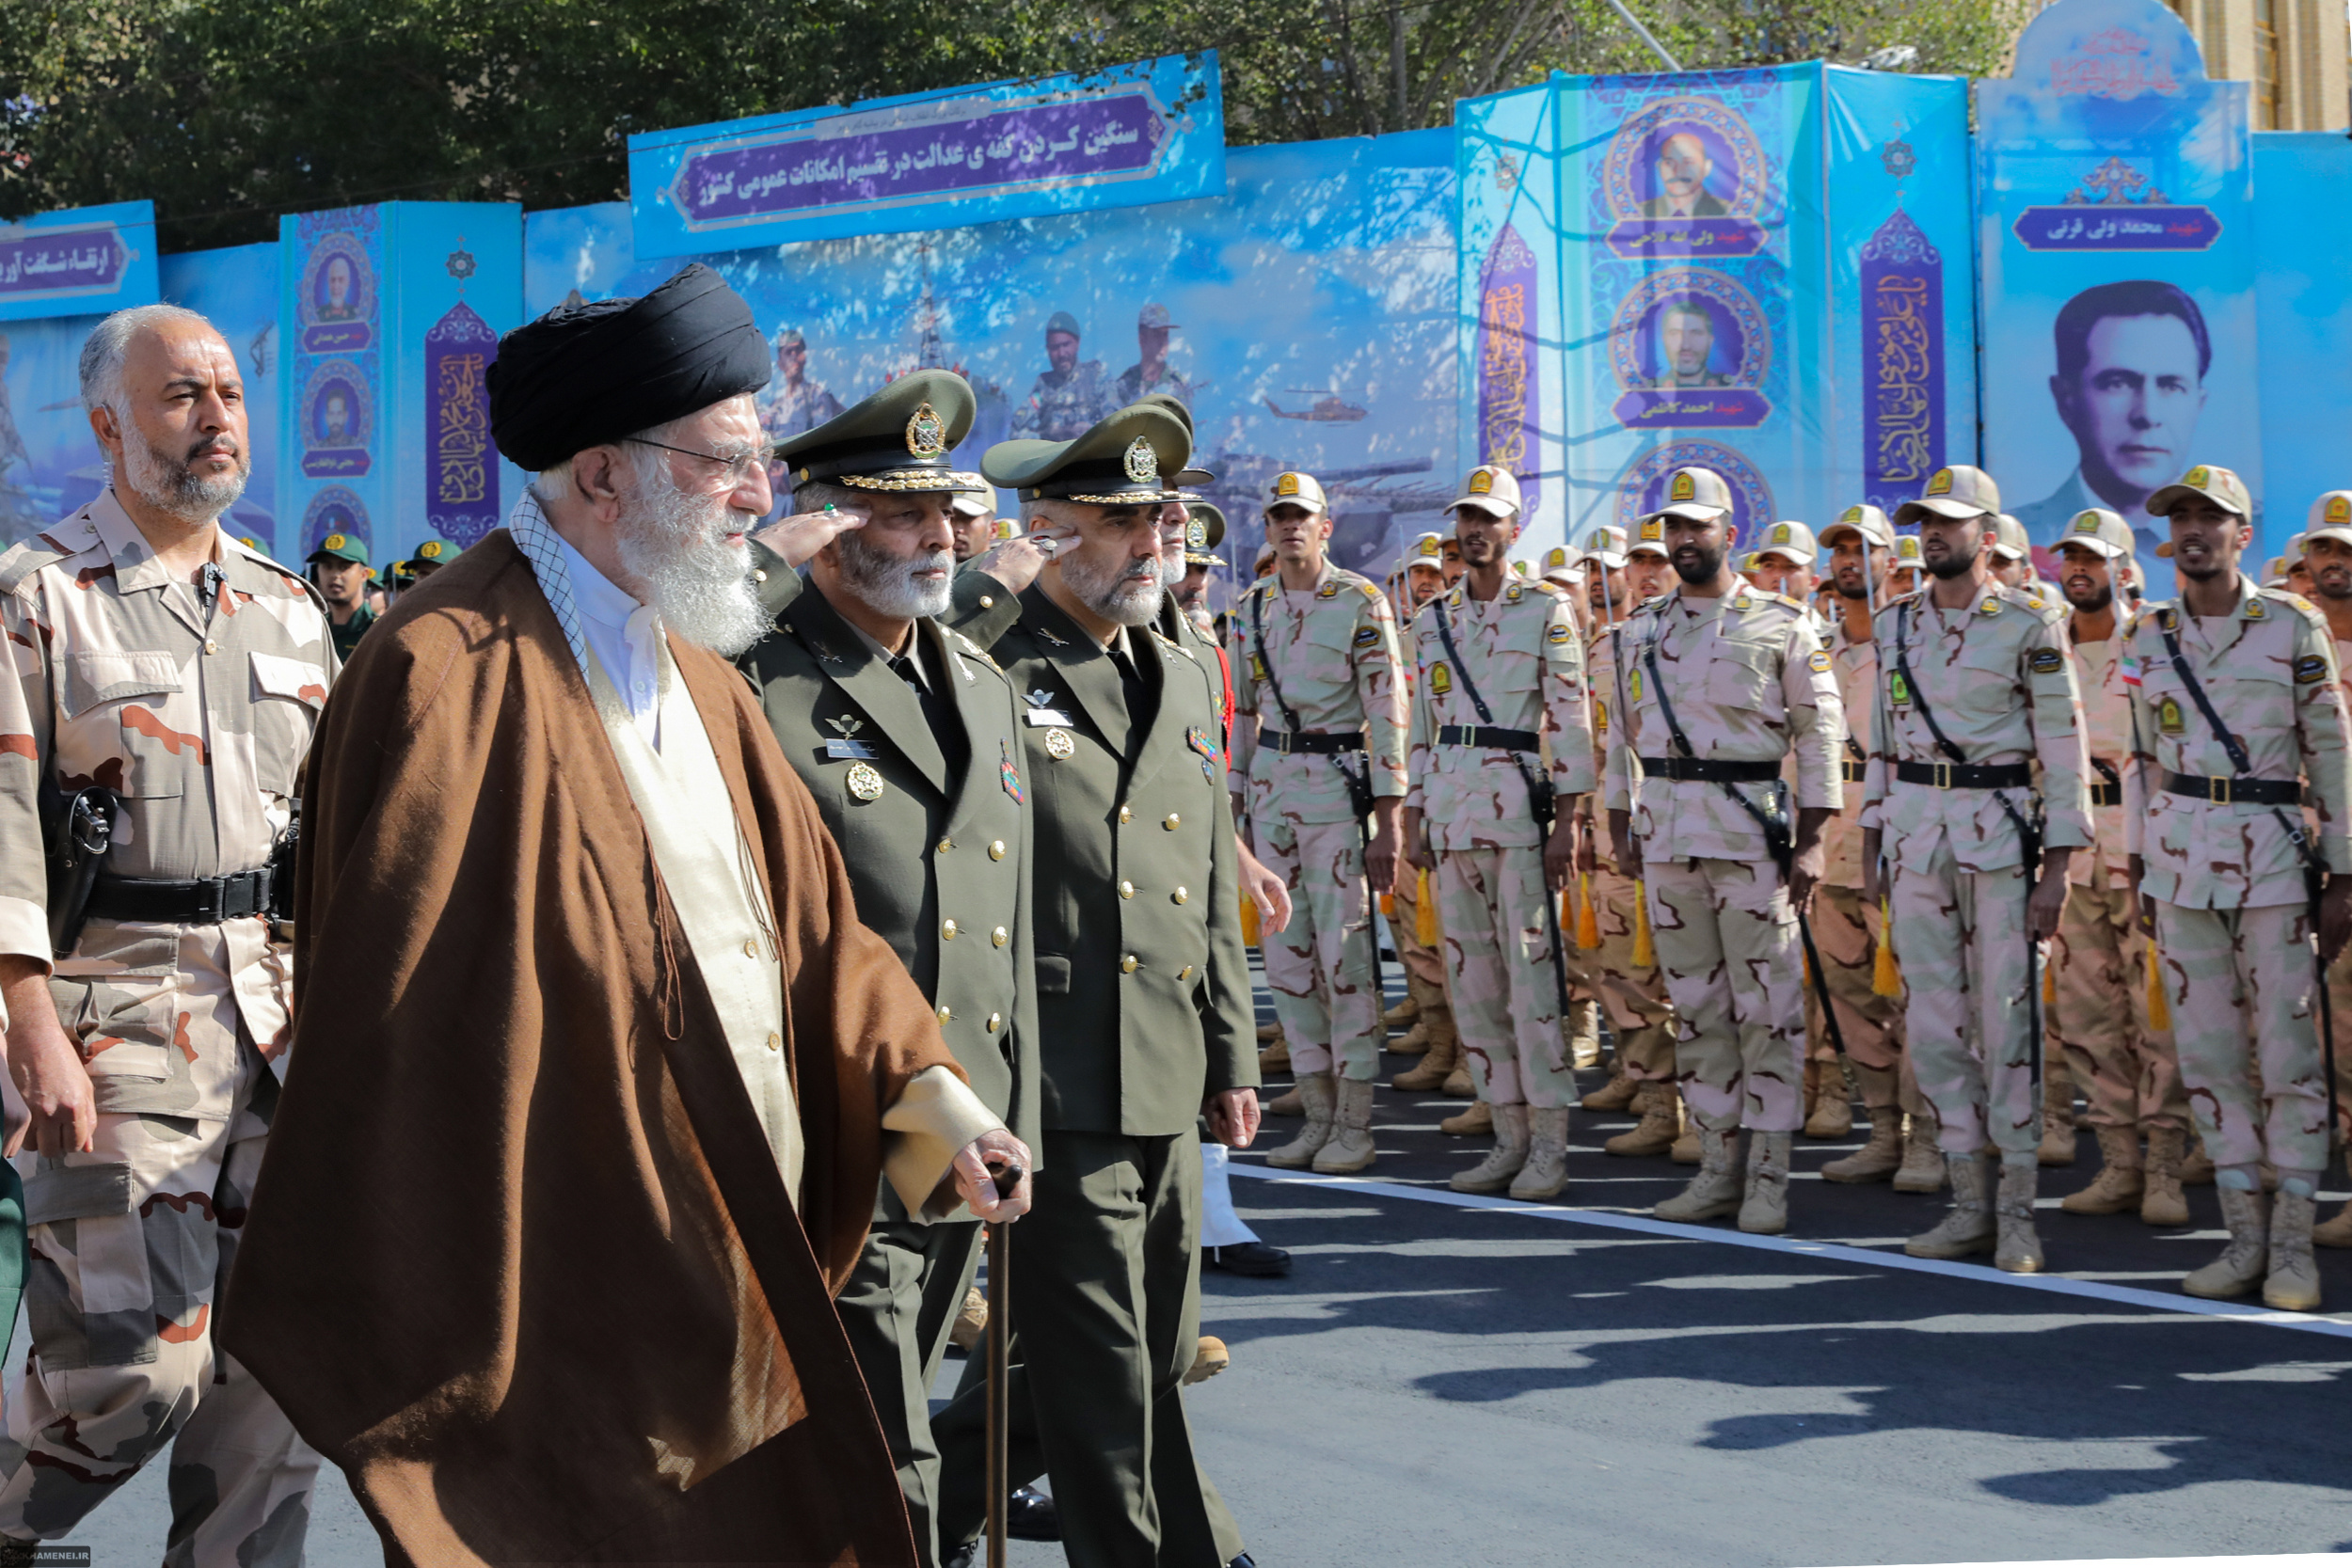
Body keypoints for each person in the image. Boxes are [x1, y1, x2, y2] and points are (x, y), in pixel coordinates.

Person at [221, 264, 1032, 1565]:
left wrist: (940, 1109)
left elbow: (818, 939)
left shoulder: (699, 667)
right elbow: (396, 1043)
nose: (762, 497)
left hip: (741, 1256)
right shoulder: (441, 667)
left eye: (760, 460)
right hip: (566, 1279)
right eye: (727, 463)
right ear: (603, 474)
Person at [0, 304, 328, 1565]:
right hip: (113, 1020)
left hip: (280, 1025)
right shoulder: (38, 597)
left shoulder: (287, 607)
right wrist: (27, 1022)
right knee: (127, 1372)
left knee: (276, 1383)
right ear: (107, 426)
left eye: (229, 393)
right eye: (181, 395)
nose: (215, 418)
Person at [928, 401, 1260, 1568]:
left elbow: (1204, 874)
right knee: (1108, 1364)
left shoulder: (1181, 663)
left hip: (1165, 1062)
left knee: (1138, 1351)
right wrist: (989, 588)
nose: (1153, 541)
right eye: (1121, 522)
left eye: (1160, 518)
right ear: (1054, 531)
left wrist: (1232, 1050)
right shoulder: (988, 658)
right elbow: (899, 675)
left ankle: (910, 1517)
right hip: (1049, 1068)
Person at [728, 369, 1042, 1567]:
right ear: (830, 523)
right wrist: (761, 569)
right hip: (840, 1122)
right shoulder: (755, 679)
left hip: (966, 1112)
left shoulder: (978, 681)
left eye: (946, 512)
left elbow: (999, 915)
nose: (942, 536)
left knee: (895, 1405)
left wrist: (1011, 1097)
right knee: (883, 1450)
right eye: (904, 514)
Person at [2122, 464, 2350, 1311]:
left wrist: (2346, 871)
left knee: (2289, 1056)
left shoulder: (2292, 625)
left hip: (2275, 866)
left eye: (2211, 517)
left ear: (2243, 534)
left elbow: (2331, 750)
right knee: (2210, 1057)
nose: (2193, 529)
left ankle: (2292, 1244)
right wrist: (2140, 863)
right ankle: (2242, 1237)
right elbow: (2142, 759)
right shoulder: (2148, 634)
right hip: (2181, 867)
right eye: (2180, 516)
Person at [1863, 464, 2090, 1274]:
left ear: (1987, 537)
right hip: (1916, 836)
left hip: (1999, 837)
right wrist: (1871, 836)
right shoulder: (1893, 624)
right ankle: (1967, 1202)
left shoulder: (2031, 623)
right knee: (1933, 1022)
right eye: (1924, 521)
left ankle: (2018, 1213)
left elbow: (2063, 749)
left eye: (1949, 522)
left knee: (2009, 1022)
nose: (1932, 533)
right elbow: (1883, 742)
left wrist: (2059, 866)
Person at [1605, 467, 1841, 1232]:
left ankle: (1768, 1177)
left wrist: (1814, 841)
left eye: (1697, 527)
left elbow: (1819, 737)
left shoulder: (1782, 622)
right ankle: (1716, 1166)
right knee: (1698, 1008)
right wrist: (1618, 818)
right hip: (1670, 838)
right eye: (1673, 527)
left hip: (1751, 840)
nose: (1683, 540)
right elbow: (1621, 735)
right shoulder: (1639, 630)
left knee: (1766, 1009)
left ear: (1729, 535)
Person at [1401, 467, 1594, 1197]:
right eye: (1466, 518)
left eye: (1488, 518)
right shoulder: (1433, 619)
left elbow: (1570, 717)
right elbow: (1421, 726)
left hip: (1519, 816)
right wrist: (1415, 812)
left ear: (1514, 528)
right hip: (1452, 815)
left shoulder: (1545, 608)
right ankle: (1508, 1137)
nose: (1475, 530)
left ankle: (1550, 1146)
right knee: (1473, 984)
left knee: (1532, 981)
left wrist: (1570, 821)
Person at [1229, 469, 1407, 1175]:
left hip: (1336, 794)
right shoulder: (1252, 607)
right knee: (1285, 959)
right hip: (1272, 795)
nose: (1290, 526)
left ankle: (1355, 1125)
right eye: (1280, 516)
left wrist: (1390, 818)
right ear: (1268, 528)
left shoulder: (1361, 601)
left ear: (1325, 527)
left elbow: (1388, 710)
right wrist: (1235, 808)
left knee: (1345, 959)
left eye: (1301, 516)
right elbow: (1241, 715)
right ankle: (1317, 1114)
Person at [2041, 507, 2193, 1225]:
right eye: (2071, 558)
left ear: (2125, 570)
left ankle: (2164, 1164)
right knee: (2087, 1015)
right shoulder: (2044, 645)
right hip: (2072, 851)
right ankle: (2119, 1162)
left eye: (2094, 559)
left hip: (2144, 847)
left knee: (2156, 1015)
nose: (2079, 570)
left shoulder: (2158, 639)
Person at [1809, 506, 1929, 1183]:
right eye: (1840, 550)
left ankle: (1929, 1137)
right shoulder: (1816, 648)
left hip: (1901, 843)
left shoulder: (1917, 640)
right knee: (1851, 998)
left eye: (1864, 548)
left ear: (1892, 559)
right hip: (1833, 843)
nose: (1850, 559)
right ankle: (1884, 1130)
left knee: (1921, 999)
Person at [1575, 524, 1686, 1153]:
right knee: (1624, 971)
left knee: (1694, 979)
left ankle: (1704, 1112)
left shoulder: (1716, 633)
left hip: (1691, 824)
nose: (1647, 571)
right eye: (1637, 560)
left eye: (1656, 559)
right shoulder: (1609, 645)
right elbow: (1600, 744)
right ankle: (1654, 1098)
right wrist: (1587, 821)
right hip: (1620, 827)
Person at [2011, 280, 2211, 556]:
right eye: (2118, 384)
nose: (2148, 415)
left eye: (2171, 386)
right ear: (2066, 399)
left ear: (2198, 404)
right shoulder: (2012, 540)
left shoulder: (2248, 538)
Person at [2301, 494, 2352, 1247]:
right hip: (2314, 859)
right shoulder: (2289, 644)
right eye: (2324, 548)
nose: (2337, 562)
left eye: (2348, 549)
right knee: (2338, 1034)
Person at [1011, 310, 1111, 440]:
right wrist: (1049, 435)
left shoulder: (1096, 376)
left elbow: (1117, 424)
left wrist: (1090, 432)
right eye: (1055, 348)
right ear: (1048, 350)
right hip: (1056, 452)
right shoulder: (1043, 387)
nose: (1061, 354)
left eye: (1066, 345)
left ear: (1077, 343)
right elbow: (1015, 432)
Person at [755, 325, 846, 448]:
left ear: (804, 358)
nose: (794, 356)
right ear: (780, 363)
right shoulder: (775, 407)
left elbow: (823, 440)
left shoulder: (816, 396)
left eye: (798, 350)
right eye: (788, 352)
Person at [307, 529, 375, 660]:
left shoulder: (376, 630)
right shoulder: (312, 628)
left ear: (364, 574)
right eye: (327, 567)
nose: (335, 575)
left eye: (344, 567)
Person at [1115, 303, 1196, 407]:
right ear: (1142, 339)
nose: (1162, 341)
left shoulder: (1178, 385)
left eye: (1165, 334)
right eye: (1156, 335)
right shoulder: (1125, 384)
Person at [1641, 300, 1735, 389]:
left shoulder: (1729, 386)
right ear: (1664, 340)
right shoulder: (1650, 389)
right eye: (1675, 333)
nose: (1686, 346)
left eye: (1696, 333)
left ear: (1710, 341)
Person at [1640, 131, 1728, 218]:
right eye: (1669, 163)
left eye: (1688, 162)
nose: (1678, 172)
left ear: (1706, 167)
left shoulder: (1726, 211)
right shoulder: (1642, 212)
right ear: (1659, 167)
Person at [947, 490, 997, 562]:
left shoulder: (1007, 568)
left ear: (993, 530)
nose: (956, 529)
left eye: (967, 518)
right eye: (948, 518)